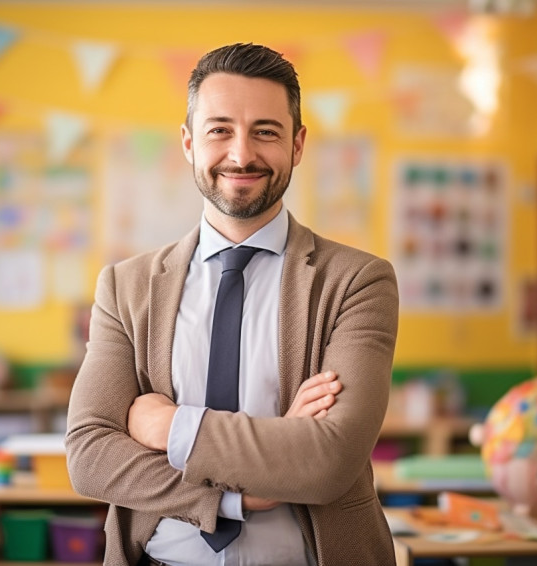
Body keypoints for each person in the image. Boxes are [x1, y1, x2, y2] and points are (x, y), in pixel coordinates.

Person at [65, 42, 399, 566]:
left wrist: (170, 427)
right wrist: (234, 497)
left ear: (298, 144)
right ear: (188, 143)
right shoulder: (125, 287)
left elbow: (329, 462)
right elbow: (89, 455)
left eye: (266, 131)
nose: (241, 155)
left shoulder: (358, 281)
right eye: (220, 129)